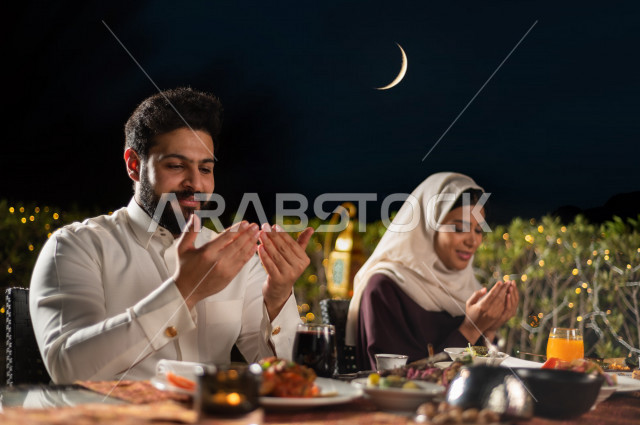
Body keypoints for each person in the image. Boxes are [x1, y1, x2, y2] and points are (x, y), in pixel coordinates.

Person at [29, 87, 313, 383]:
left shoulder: (233, 254)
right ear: (134, 165)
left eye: (205, 168)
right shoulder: (77, 246)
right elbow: (67, 369)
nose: (195, 183)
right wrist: (183, 292)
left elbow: (290, 375)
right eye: (176, 166)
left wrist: (279, 298)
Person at [345, 172, 518, 370]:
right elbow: (396, 379)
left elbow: (480, 372)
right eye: (459, 228)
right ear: (427, 227)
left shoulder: (470, 291)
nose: (472, 241)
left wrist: (489, 329)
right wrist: (470, 329)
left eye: (478, 230)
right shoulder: (385, 288)